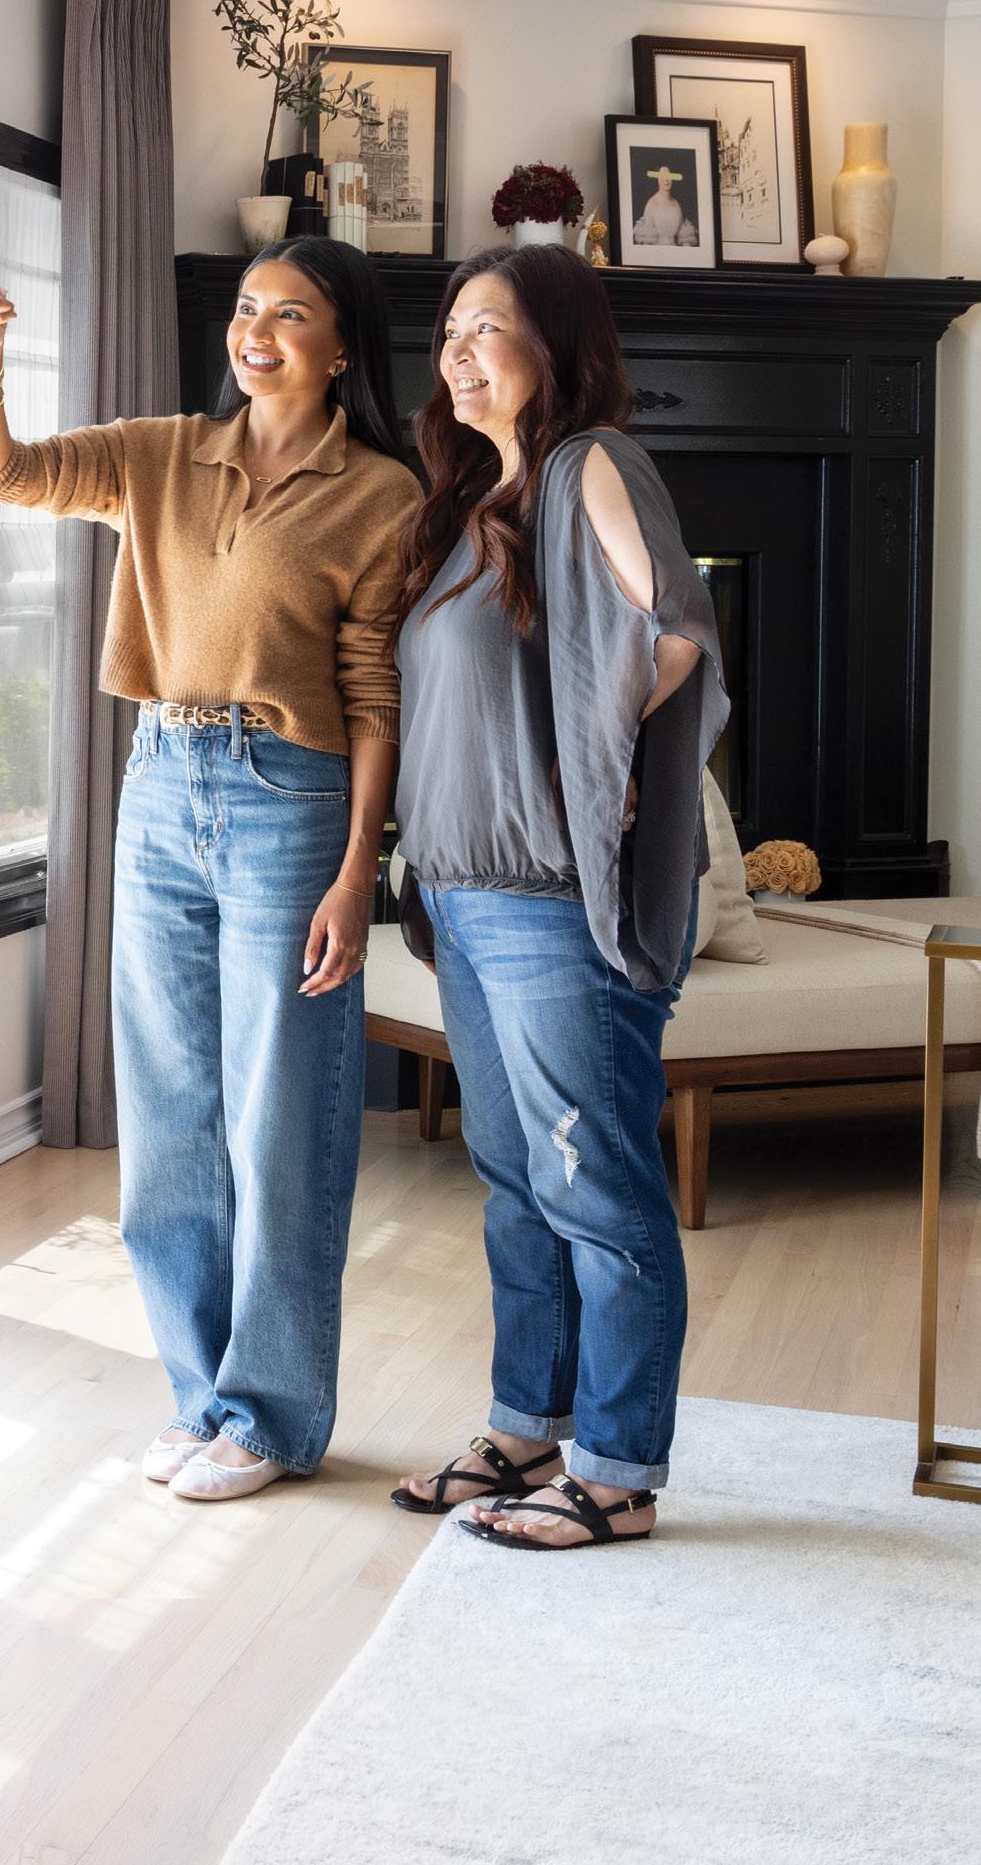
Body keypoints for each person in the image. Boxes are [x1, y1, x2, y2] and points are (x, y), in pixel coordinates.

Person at [0, 237, 420, 1501]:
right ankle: (200, 1395)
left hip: (291, 797)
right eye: (247, 307)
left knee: (280, 1115)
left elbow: (375, 693)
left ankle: (272, 1416)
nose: (255, 330)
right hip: (160, 779)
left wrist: (357, 871)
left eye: (291, 313)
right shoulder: (161, 452)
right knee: (167, 1113)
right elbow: (4, 471)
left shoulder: (380, 494)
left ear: (342, 345)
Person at [387, 245, 728, 1551]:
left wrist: (596, 750)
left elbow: (676, 627)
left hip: (546, 897)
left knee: (597, 1185)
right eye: (450, 331)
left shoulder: (590, 463)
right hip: (461, 896)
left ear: (558, 344)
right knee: (517, 1182)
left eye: (489, 327)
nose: (459, 351)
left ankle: (619, 1472)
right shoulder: (472, 504)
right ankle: (529, 1424)